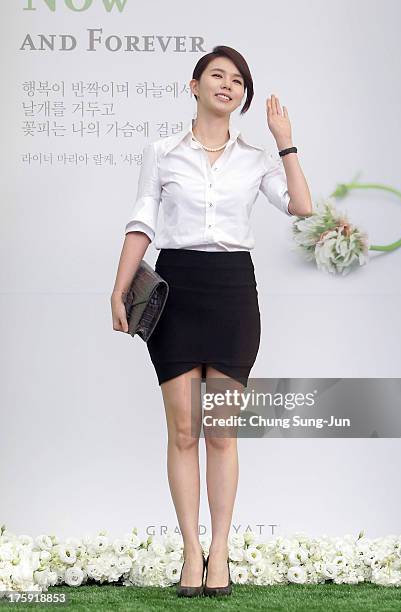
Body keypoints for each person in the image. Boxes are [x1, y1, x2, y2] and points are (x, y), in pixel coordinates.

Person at [111, 45, 313, 597]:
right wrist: (119, 287)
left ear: (243, 96)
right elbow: (141, 220)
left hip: (230, 293)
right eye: (217, 76)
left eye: (238, 80)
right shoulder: (161, 152)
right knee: (182, 429)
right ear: (193, 85)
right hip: (175, 289)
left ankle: (219, 551)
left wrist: (284, 141)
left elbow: (301, 206)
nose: (228, 85)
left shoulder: (255, 160)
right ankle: (190, 551)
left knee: (220, 431)